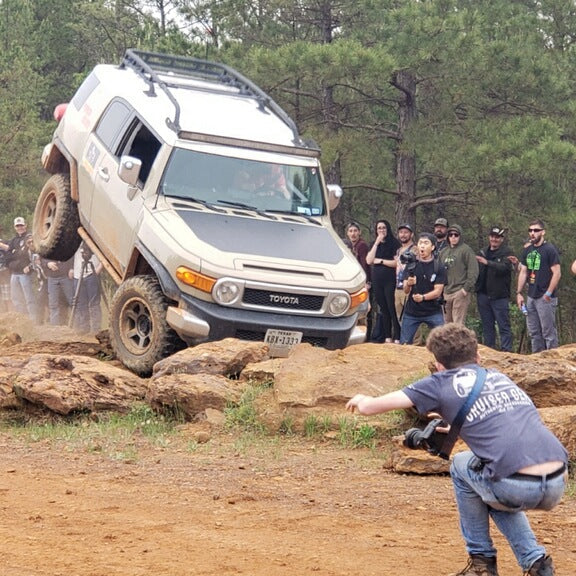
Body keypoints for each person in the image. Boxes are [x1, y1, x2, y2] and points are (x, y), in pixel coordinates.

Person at [346, 323, 567, 576]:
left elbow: (372, 407)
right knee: (488, 491)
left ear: (439, 365)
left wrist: (363, 401)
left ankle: (481, 563)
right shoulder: (498, 376)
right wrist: (456, 424)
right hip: (557, 481)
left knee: (462, 465)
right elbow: (501, 417)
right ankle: (536, 563)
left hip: (516, 485)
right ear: (478, 356)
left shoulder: (439, 382)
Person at [516, 219, 561, 352]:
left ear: (543, 232)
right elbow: (523, 271)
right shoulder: (527, 250)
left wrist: (548, 293)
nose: (532, 233)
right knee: (534, 333)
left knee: (548, 333)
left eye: (536, 230)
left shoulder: (549, 249)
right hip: (531, 295)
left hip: (545, 296)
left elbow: (557, 273)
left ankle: (553, 362)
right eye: (530, 230)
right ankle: (537, 360)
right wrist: (519, 293)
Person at [399, 232, 446, 344]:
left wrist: (423, 297)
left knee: (442, 342)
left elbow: (438, 292)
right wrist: (409, 283)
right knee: (404, 343)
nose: (422, 246)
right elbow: (405, 290)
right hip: (412, 311)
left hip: (433, 311)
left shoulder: (439, 266)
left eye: (426, 243)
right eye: (420, 243)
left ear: (433, 247)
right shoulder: (411, 264)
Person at [475, 227, 514, 352]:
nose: (494, 239)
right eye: (492, 236)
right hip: (483, 295)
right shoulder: (482, 252)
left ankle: (506, 351)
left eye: (497, 237)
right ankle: (489, 351)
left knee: (504, 326)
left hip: (499, 296)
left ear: (501, 239)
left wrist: (488, 263)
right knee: (487, 326)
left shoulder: (507, 252)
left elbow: (505, 268)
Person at [366, 219, 400, 343]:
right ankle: (387, 336)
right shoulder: (374, 244)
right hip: (377, 280)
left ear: (388, 229)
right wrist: (376, 243)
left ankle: (397, 335)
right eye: (379, 228)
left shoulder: (394, 243)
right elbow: (369, 260)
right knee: (383, 308)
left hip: (389, 280)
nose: (381, 230)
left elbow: (396, 263)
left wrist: (380, 261)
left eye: (383, 228)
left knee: (392, 308)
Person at [439, 224, 479, 325]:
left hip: (460, 291)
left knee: (458, 323)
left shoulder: (466, 250)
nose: (453, 237)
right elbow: (438, 271)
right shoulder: (443, 252)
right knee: (447, 323)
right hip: (446, 292)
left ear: (460, 236)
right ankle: (448, 341)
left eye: (456, 235)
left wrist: (466, 289)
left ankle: (459, 341)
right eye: (450, 235)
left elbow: (473, 271)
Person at [5, 218, 39, 322]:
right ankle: (23, 320)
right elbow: (8, 256)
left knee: (29, 298)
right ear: (15, 227)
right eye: (17, 226)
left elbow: (25, 254)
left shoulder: (29, 237)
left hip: (25, 273)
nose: (20, 228)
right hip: (14, 273)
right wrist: (16, 254)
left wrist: (16, 253)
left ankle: (34, 320)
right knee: (16, 298)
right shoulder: (13, 240)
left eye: (21, 225)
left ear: (25, 225)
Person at [345, 222, 372, 340]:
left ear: (359, 232)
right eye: (350, 231)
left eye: (355, 231)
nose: (353, 233)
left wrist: (366, 282)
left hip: (362, 282)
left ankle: (364, 337)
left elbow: (364, 265)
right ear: (347, 233)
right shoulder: (348, 245)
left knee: (362, 310)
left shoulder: (362, 246)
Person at [70, 242, 103, 334]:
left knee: (94, 303)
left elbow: (105, 252)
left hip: (92, 273)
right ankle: (84, 328)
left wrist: (100, 266)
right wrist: (71, 269)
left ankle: (96, 329)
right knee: (81, 304)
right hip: (78, 274)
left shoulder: (94, 235)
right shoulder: (75, 238)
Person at [394, 223, 416, 327]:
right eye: (401, 232)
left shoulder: (414, 249)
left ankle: (416, 342)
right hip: (398, 287)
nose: (403, 235)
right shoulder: (398, 250)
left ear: (411, 234)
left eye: (406, 232)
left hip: (409, 287)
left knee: (412, 316)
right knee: (400, 318)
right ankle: (406, 340)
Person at [44, 256, 74, 325]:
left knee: (72, 301)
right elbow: (42, 259)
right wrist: (47, 263)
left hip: (66, 276)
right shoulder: (46, 246)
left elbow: (72, 256)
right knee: (53, 303)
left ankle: (76, 325)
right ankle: (55, 327)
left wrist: (72, 268)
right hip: (52, 277)